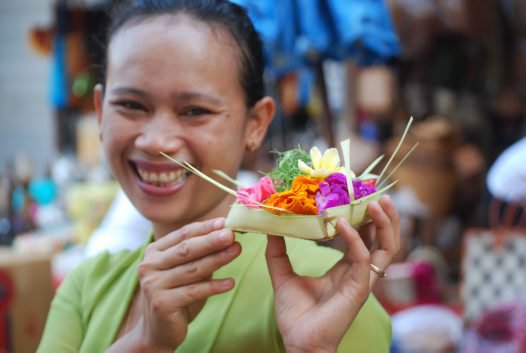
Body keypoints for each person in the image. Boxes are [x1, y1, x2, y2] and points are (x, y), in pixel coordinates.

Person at [37, 1, 400, 352]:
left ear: (255, 124)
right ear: (100, 112)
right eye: (131, 105)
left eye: (195, 110)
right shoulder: (86, 288)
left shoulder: (330, 290)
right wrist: (146, 343)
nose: (156, 142)